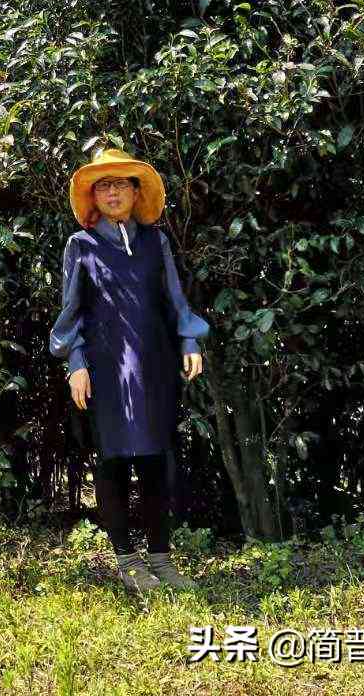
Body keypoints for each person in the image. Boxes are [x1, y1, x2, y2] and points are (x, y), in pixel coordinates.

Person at [50, 147, 209, 592]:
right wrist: (75, 363)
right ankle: (127, 561)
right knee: (114, 462)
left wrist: (190, 339)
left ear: (136, 191)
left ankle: (162, 559)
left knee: (157, 460)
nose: (113, 191)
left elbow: (175, 299)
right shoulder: (80, 245)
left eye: (121, 183)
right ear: (93, 197)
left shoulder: (155, 241)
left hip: (155, 364)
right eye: (104, 185)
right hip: (103, 370)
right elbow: (70, 313)